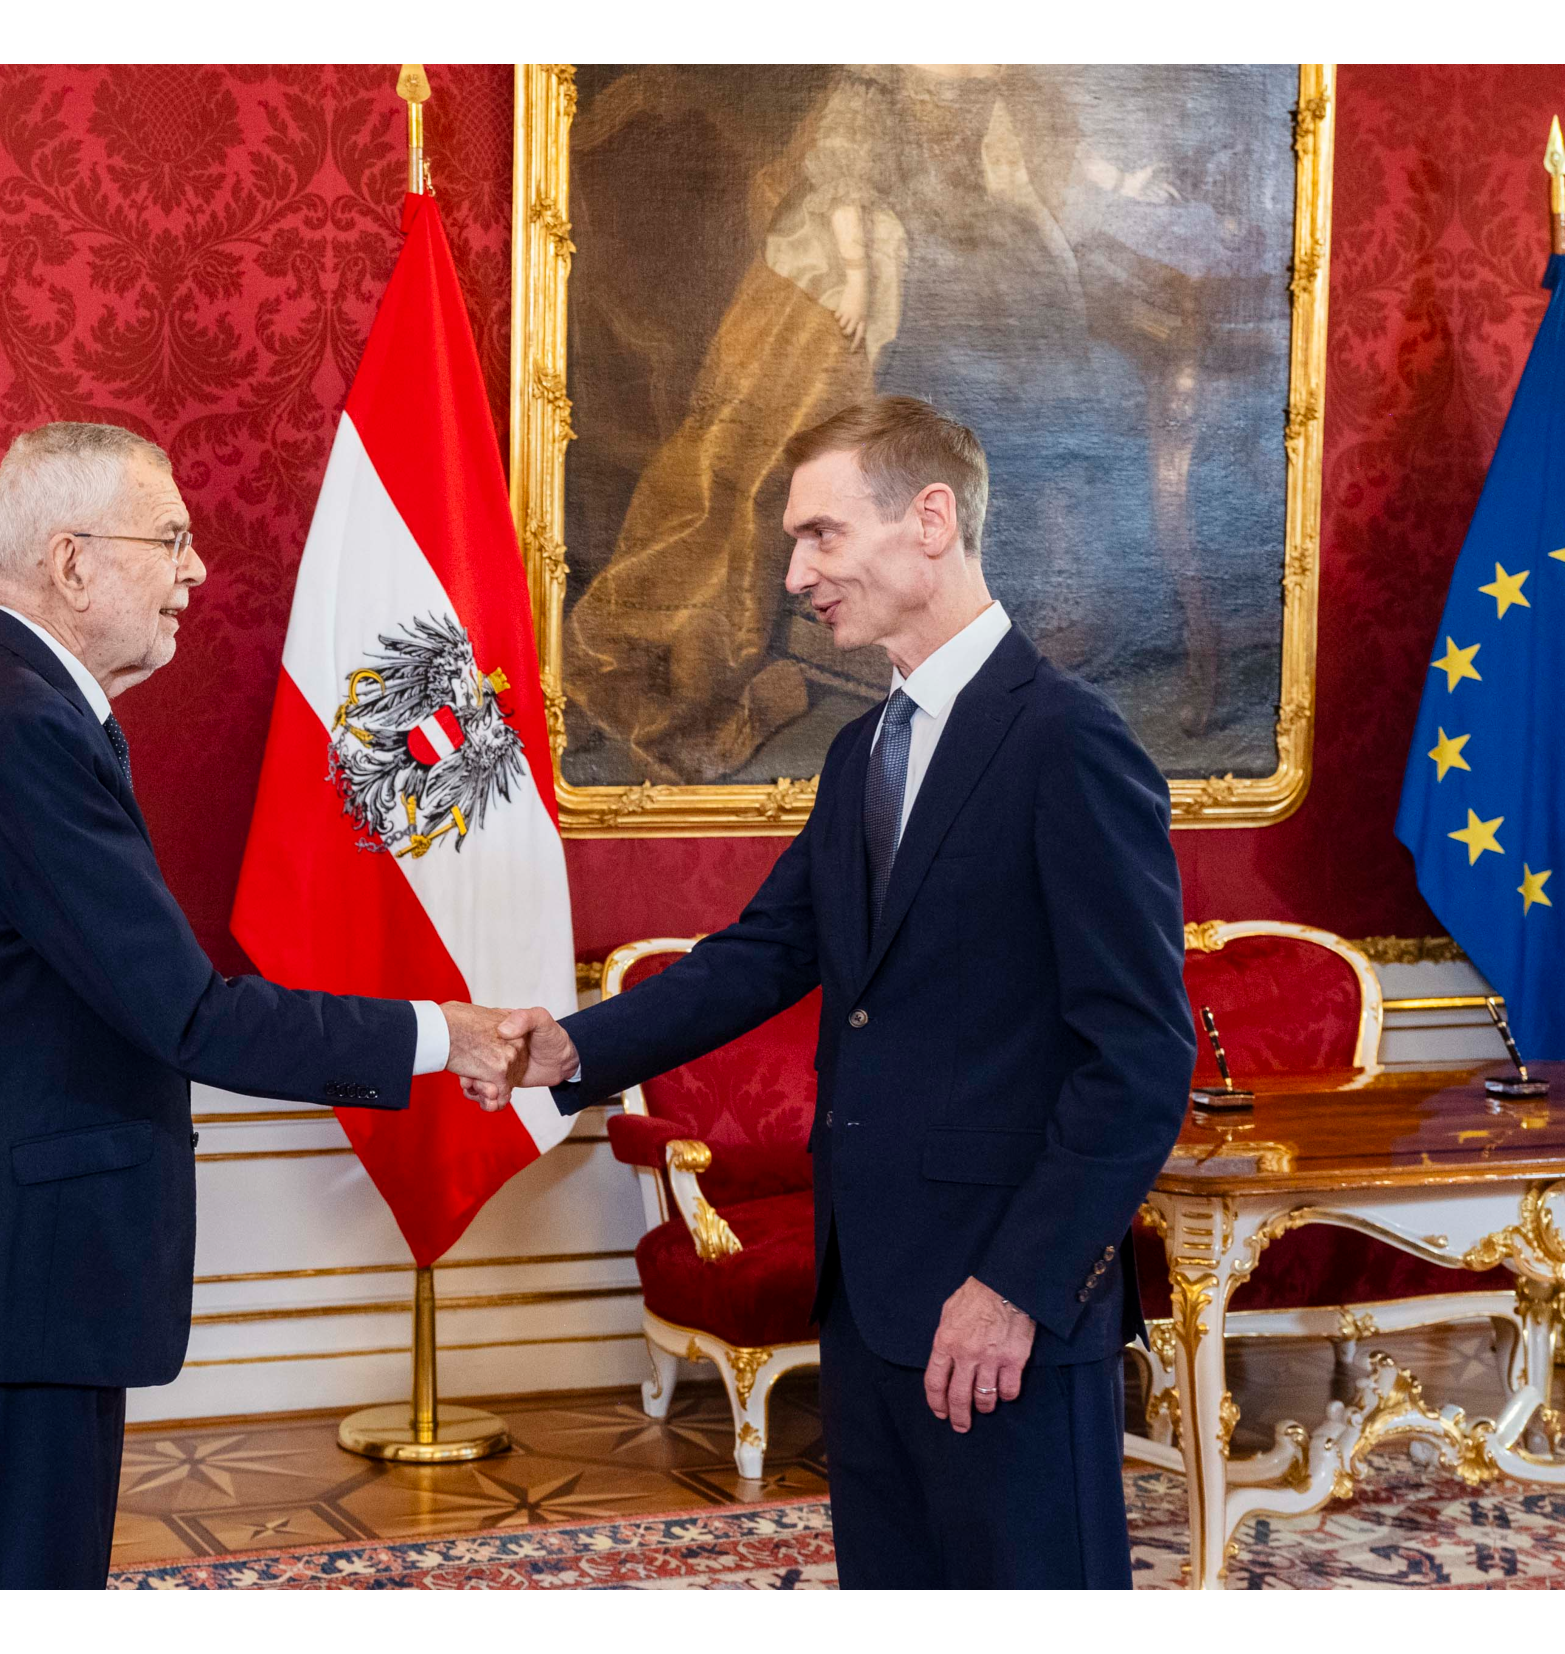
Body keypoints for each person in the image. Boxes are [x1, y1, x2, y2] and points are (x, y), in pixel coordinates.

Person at [482, 396, 1194, 1588]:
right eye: (789, 545)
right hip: (865, 1290)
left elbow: (1136, 1058)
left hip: (998, 1300)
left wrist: (1016, 1285)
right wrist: (570, 1047)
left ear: (928, 520)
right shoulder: (862, 751)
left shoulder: (1068, 741)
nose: (795, 572)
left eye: (818, 534)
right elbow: (761, 953)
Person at [0, 421, 526, 1588]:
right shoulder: (20, 729)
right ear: (71, 563)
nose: (196, 570)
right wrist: (436, 1030)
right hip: (9, 1282)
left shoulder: (8, 701)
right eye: (169, 538)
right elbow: (189, 1015)